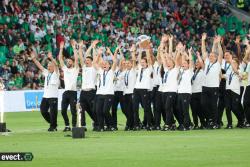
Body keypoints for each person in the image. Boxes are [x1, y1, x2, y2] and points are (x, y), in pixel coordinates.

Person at [31, 51, 59, 132]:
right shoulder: (46, 72)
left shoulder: (56, 73)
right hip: (46, 95)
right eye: (48, 66)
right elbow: (40, 66)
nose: (48, 67)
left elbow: (56, 65)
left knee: (53, 112)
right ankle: (53, 123)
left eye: (50, 66)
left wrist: (51, 58)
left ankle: (53, 126)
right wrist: (34, 59)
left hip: (53, 96)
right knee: (43, 110)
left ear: (53, 67)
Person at [201, 34, 223, 129]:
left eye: (212, 56)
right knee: (203, 104)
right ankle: (210, 119)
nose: (210, 57)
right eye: (210, 56)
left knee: (213, 105)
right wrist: (203, 40)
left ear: (215, 57)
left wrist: (218, 44)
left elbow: (221, 54)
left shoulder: (218, 63)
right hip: (205, 86)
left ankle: (215, 122)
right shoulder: (207, 62)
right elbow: (203, 51)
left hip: (214, 87)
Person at [93, 47, 118, 131]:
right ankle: (101, 127)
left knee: (105, 111)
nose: (104, 65)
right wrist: (99, 54)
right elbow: (94, 63)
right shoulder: (100, 71)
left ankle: (111, 125)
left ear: (109, 65)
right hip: (99, 94)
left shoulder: (111, 72)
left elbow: (115, 61)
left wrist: (110, 52)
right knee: (98, 111)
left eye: (106, 64)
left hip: (109, 94)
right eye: (103, 64)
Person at [159, 40, 181, 131]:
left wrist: (179, 51)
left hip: (172, 91)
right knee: (166, 108)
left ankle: (168, 124)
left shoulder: (175, 70)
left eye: (169, 62)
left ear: (173, 63)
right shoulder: (166, 70)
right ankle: (172, 123)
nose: (167, 63)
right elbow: (163, 59)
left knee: (168, 107)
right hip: (164, 91)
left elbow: (176, 60)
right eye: (167, 62)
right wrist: (161, 51)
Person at [58, 40, 79, 132]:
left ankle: (74, 126)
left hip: (73, 93)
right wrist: (61, 48)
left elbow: (77, 59)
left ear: (73, 63)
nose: (68, 62)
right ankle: (67, 125)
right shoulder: (65, 69)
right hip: (66, 92)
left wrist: (74, 48)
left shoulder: (76, 69)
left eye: (70, 61)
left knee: (73, 111)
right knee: (63, 111)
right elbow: (60, 59)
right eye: (67, 61)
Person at [133, 41, 154, 131]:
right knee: (135, 108)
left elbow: (149, 60)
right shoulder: (139, 68)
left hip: (144, 90)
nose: (142, 63)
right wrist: (141, 49)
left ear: (146, 63)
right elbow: (137, 60)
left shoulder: (149, 69)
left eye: (143, 62)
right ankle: (136, 125)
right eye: (141, 62)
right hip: (136, 89)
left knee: (146, 108)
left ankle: (149, 124)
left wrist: (147, 50)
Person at [78, 40, 99, 131]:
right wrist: (80, 47)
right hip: (83, 92)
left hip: (91, 91)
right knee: (81, 109)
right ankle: (83, 126)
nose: (86, 61)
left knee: (92, 110)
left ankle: (97, 122)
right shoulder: (84, 67)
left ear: (91, 61)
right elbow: (80, 56)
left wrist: (93, 47)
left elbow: (94, 57)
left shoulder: (94, 68)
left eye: (88, 60)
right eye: (85, 60)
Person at [224, 54, 245, 129]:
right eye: (232, 63)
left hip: (235, 91)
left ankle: (242, 120)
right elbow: (223, 76)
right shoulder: (229, 71)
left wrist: (231, 61)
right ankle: (229, 124)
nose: (232, 64)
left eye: (234, 63)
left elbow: (237, 72)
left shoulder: (239, 70)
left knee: (235, 108)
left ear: (237, 64)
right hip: (228, 90)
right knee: (228, 108)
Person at [176, 47, 194, 130]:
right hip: (179, 92)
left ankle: (187, 125)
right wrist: (181, 52)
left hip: (186, 93)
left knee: (185, 110)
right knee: (180, 109)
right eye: (183, 64)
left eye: (185, 64)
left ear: (188, 65)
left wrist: (189, 53)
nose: (183, 64)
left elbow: (190, 61)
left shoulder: (190, 71)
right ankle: (187, 123)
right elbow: (179, 61)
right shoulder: (181, 71)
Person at [111, 46, 127, 130]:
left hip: (121, 92)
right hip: (114, 91)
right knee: (113, 109)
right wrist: (116, 50)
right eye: (121, 63)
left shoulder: (126, 71)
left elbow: (122, 58)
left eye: (123, 63)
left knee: (124, 109)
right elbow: (115, 59)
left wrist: (120, 51)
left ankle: (131, 121)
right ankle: (114, 125)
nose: (121, 63)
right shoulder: (116, 69)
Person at [190, 51, 206, 129]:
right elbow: (191, 62)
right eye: (196, 62)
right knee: (193, 110)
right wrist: (190, 53)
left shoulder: (203, 71)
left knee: (200, 110)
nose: (196, 63)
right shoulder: (193, 71)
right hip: (193, 92)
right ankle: (196, 124)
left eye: (198, 62)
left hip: (200, 92)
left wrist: (199, 56)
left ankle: (203, 123)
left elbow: (202, 64)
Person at [123, 45, 137, 131]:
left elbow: (135, 61)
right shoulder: (125, 71)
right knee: (127, 110)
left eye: (129, 63)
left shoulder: (133, 71)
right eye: (126, 63)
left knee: (133, 110)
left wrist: (132, 52)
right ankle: (130, 124)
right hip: (126, 93)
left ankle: (132, 125)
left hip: (132, 92)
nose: (127, 65)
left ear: (131, 64)